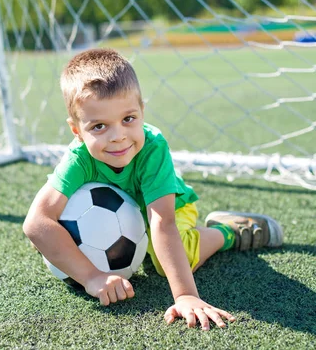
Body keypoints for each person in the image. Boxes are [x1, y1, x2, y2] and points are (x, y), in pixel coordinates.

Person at [23, 48, 284, 330]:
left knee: (167, 261)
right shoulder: (78, 159)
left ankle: (228, 231)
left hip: (167, 208)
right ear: (77, 131)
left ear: (142, 111)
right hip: (125, 218)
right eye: (99, 126)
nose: (118, 136)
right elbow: (36, 223)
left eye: (128, 119)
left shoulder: (152, 147)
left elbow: (162, 222)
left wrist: (185, 295)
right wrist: (92, 277)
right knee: (51, 236)